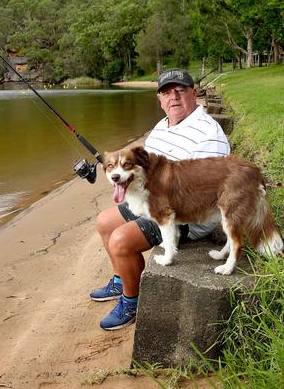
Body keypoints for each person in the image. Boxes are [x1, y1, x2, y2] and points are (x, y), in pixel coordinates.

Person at [91, 68, 230, 330]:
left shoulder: (208, 133)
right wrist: (116, 168)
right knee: (104, 222)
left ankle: (131, 302)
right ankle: (121, 279)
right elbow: (146, 164)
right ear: (160, 99)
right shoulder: (163, 125)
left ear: (194, 93)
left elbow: (208, 191)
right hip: (150, 200)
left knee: (121, 240)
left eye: (180, 90)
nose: (173, 97)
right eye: (167, 92)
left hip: (186, 216)